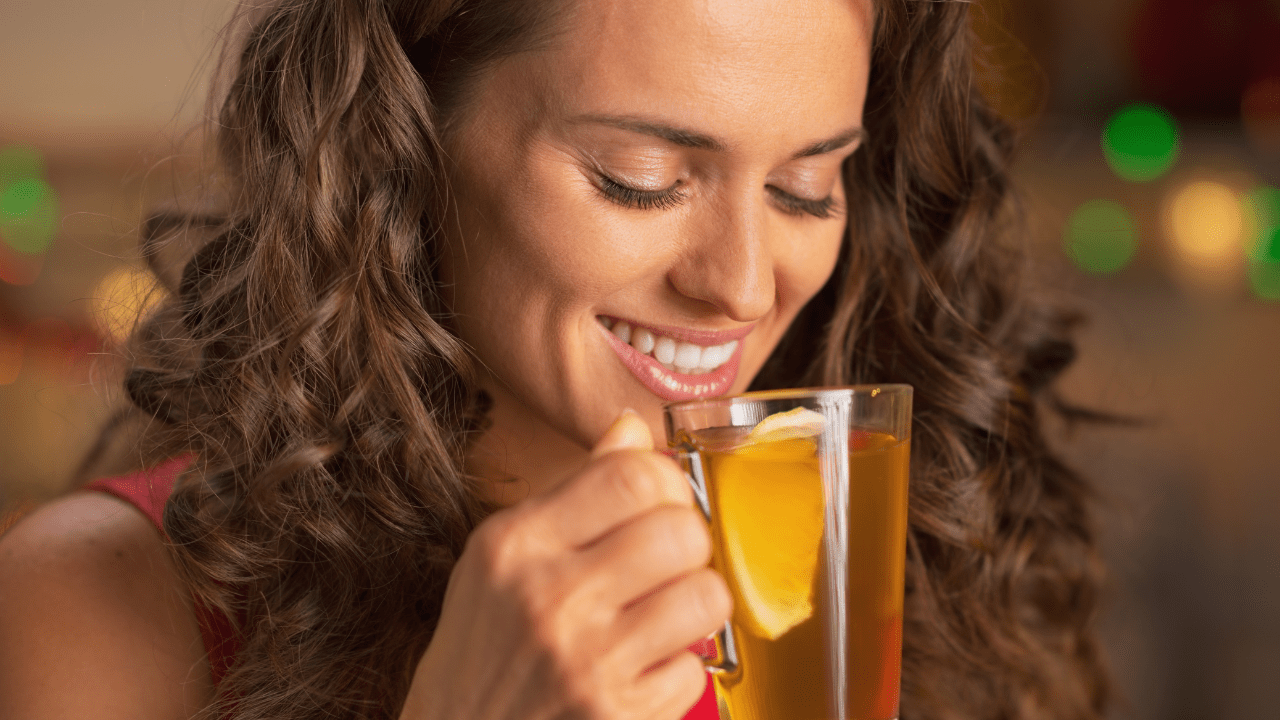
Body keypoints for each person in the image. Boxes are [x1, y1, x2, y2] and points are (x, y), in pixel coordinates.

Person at [0, 0, 1110, 718]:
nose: (741, 283)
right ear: (407, 137)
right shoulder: (99, 612)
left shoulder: (858, 575)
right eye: (640, 175)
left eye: (803, 188)